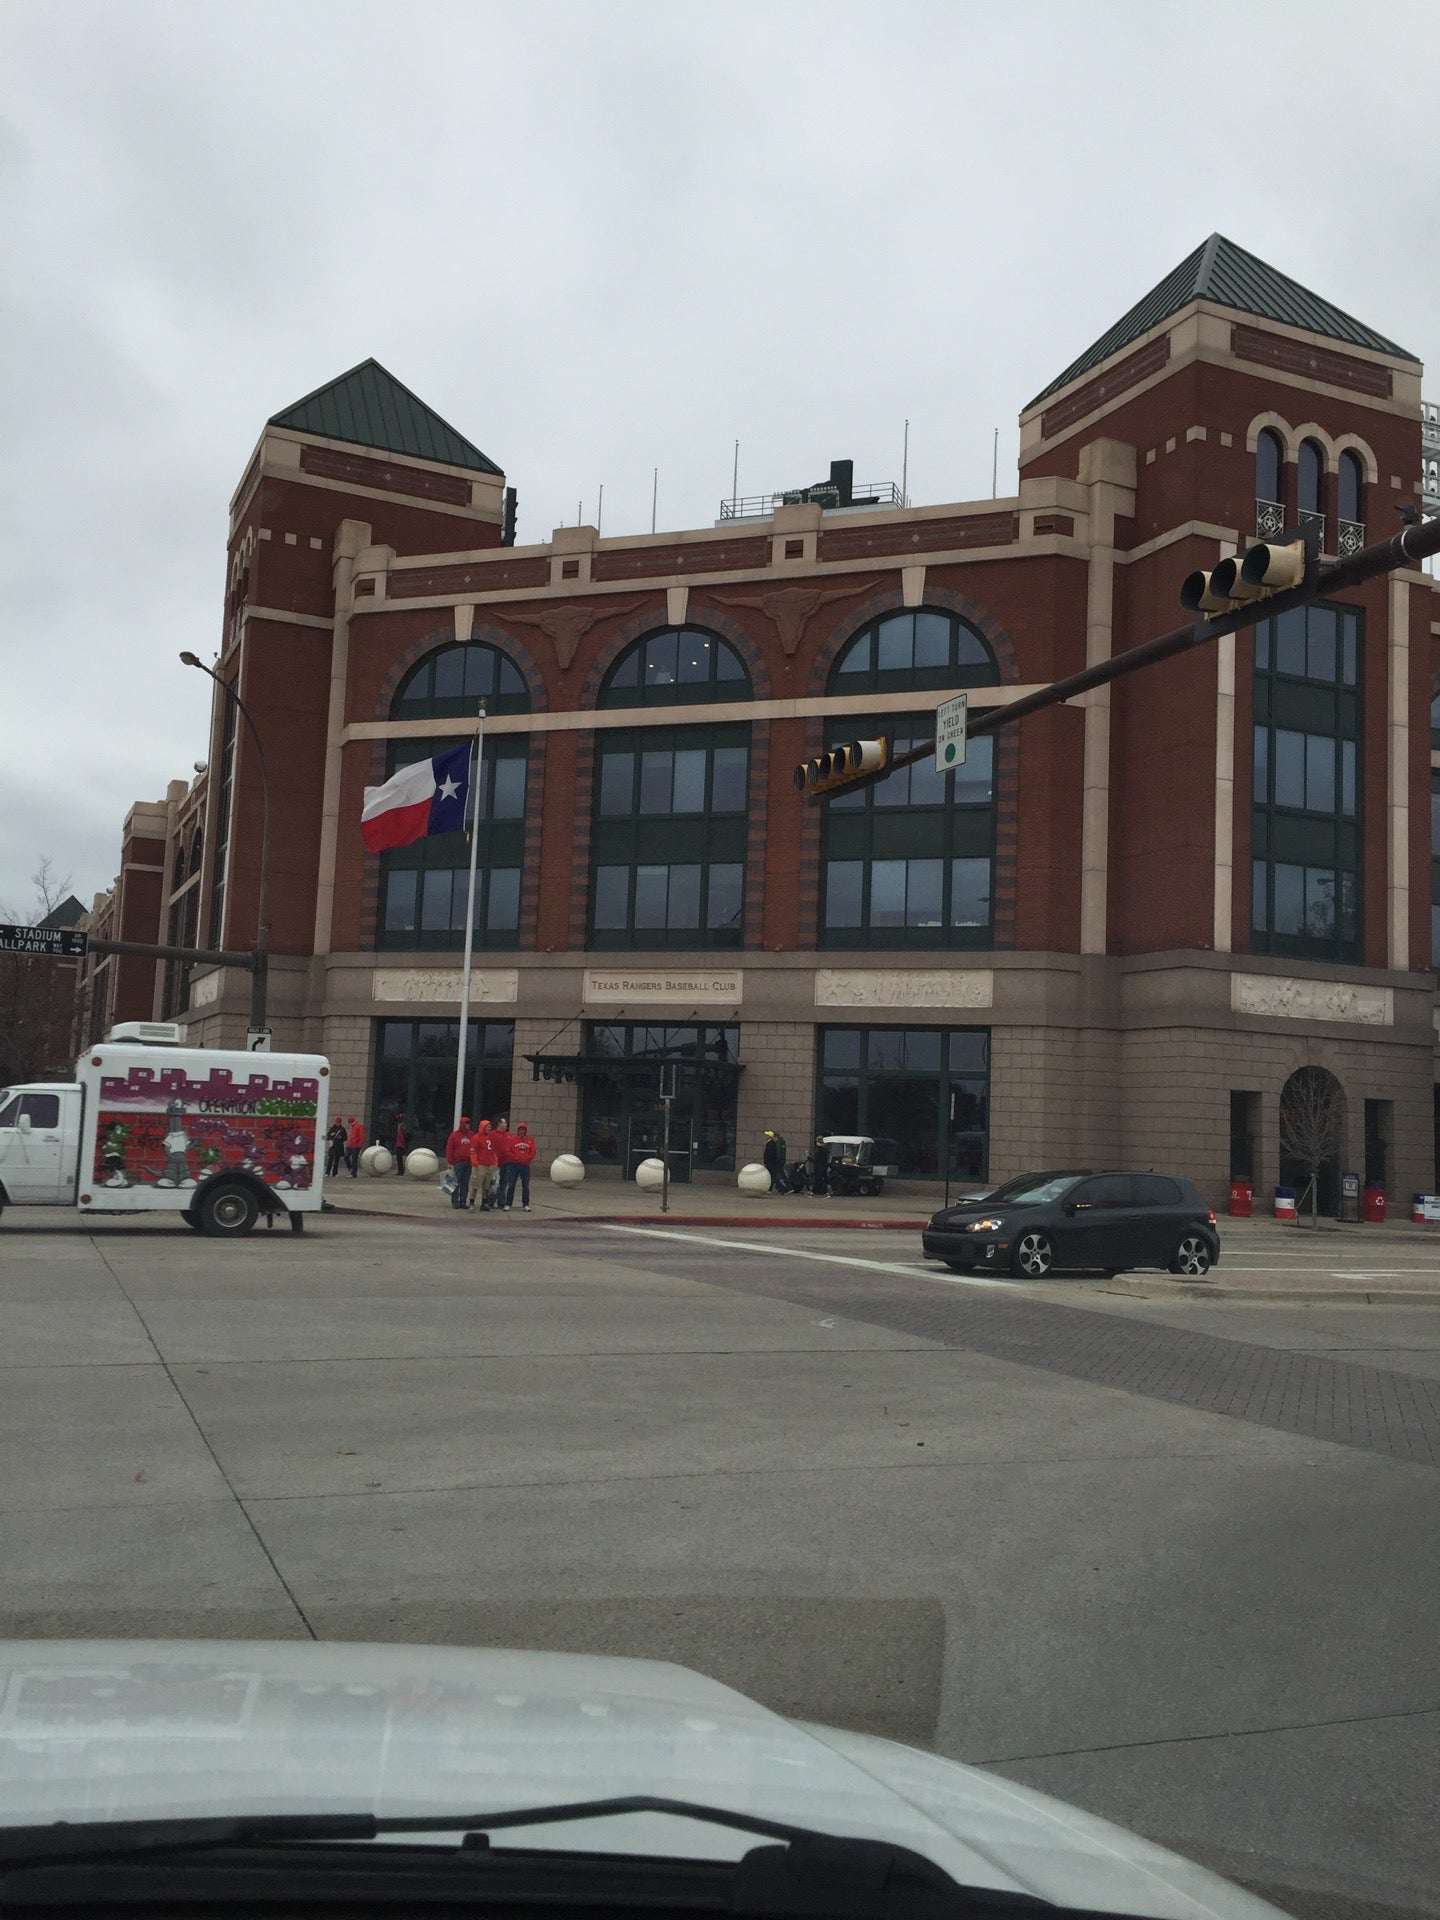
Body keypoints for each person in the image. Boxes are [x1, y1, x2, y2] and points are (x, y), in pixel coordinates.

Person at [500, 1121, 537, 1211]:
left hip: (525, 1166)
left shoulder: (529, 1139)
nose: (522, 1132)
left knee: (525, 1186)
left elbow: (533, 1151)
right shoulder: (512, 1139)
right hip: (514, 1166)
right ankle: (508, 1204)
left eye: (523, 1130)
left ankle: (526, 1204)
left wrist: (527, 1159)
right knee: (511, 1185)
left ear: (525, 1131)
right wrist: (516, 1159)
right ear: (518, 1130)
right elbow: (508, 1151)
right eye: (520, 1130)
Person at [467, 1119, 499, 1210]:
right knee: (475, 1186)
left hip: (489, 1165)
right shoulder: (476, 1138)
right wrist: (475, 1162)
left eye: (490, 1127)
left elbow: (493, 1152)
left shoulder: (491, 1138)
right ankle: (471, 1204)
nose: (489, 1128)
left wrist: (495, 1162)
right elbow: (473, 1151)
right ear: (483, 1127)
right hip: (480, 1165)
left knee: (486, 1186)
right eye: (487, 1127)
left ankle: (484, 1204)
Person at [444, 1115, 474, 1209]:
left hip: (468, 1163)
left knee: (465, 1184)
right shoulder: (454, 1135)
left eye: (469, 1124)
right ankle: (455, 1202)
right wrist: (449, 1162)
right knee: (456, 1183)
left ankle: (463, 1202)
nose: (468, 1126)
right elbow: (449, 1149)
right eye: (466, 1124)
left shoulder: (472, 1135)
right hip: (458, 1163)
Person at [761, 1130, 787, 1195]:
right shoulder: (772, 1144)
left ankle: (782, 1189)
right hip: (772, 1163)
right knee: (772, 1176)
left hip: (771, 1163)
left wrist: (766, 1162)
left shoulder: (770, 1144)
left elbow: (769, 1154)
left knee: (774, 1177)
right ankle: (772, 1189)